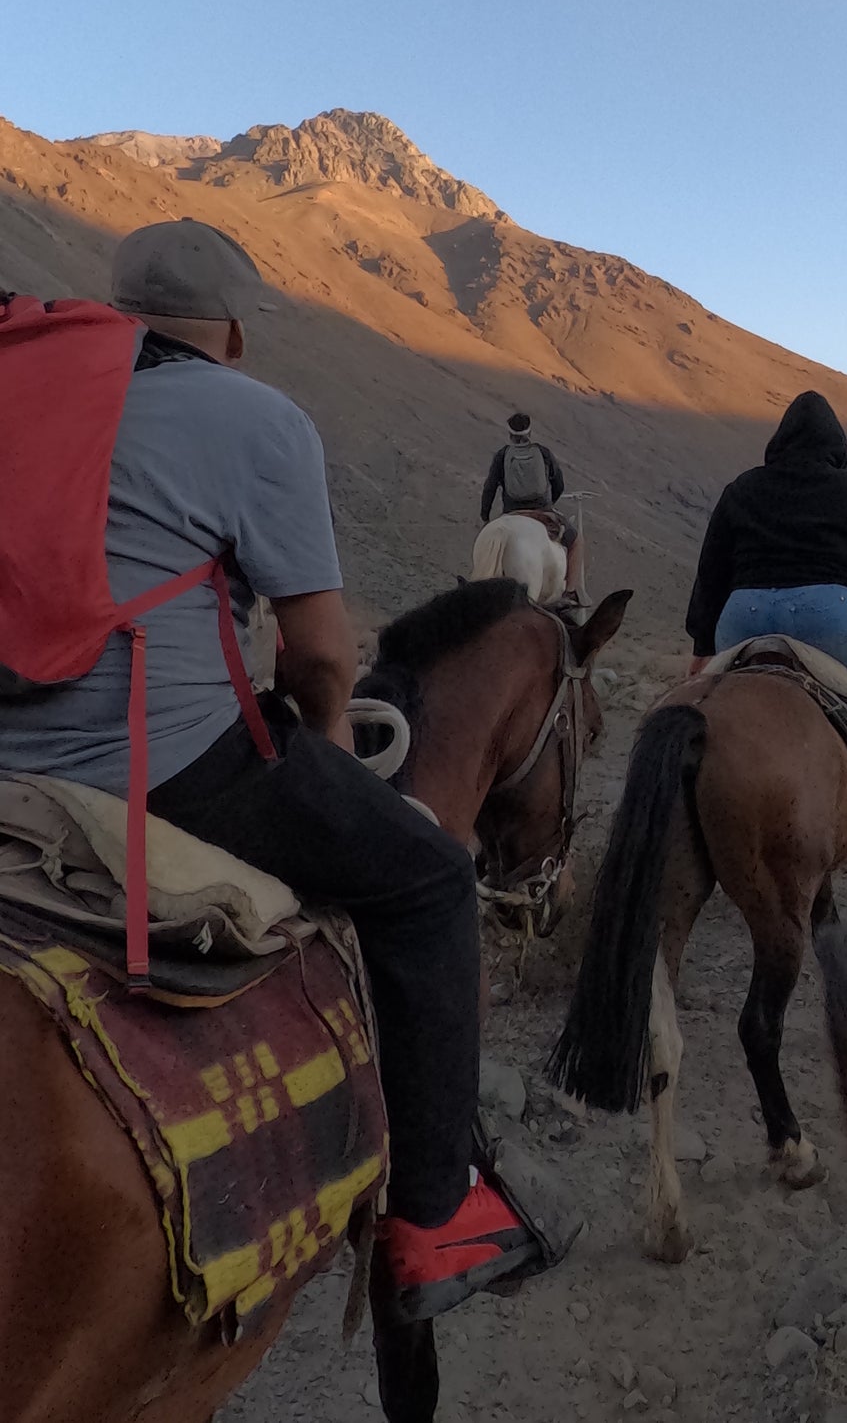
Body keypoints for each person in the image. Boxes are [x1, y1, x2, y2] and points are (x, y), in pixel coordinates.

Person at [0, 220, 531, 1319]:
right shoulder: (255, 415)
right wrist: (325, 735)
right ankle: (433, 1219)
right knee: (428, 881)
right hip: (162, 765)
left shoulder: (26, 389)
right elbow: (320, 650)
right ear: (234, 329)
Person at [684, 391, 847, 848]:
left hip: (742, 618)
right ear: (837, 445)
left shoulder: (741, 488)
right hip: (825, 616)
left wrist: (702, 648)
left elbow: (710, 574)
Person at [480, 411, 585, 604]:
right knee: (577, 541)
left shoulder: (502, 455)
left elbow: (489, 487)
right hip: (542, 510)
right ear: (530, 432)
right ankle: (569, 592)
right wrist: (548, 506)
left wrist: (485, 517)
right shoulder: (543, 453)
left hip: (510, 513)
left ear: (510, 433)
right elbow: (559, 484)